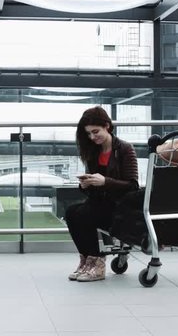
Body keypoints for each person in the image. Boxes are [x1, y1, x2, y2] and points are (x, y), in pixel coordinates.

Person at [65, 106, 139, 282]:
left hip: (120, 207)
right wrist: (85, 185)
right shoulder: (93, 151)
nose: (92, 137)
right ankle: (86, 260)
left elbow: (133, 186)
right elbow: (93, 188)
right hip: (99, 203)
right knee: (71, 212)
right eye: (89, 134)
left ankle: (98, 262)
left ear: (107, 126)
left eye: (95, 131)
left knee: (86, 213)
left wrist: (105, 181)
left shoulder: (125, 149)